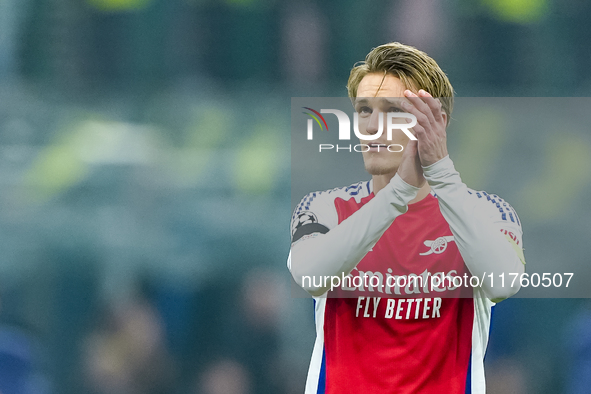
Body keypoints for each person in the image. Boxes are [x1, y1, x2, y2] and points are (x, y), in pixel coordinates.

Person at [287, 42, 526, 394]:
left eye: (393, 110)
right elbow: (309, 275)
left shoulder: (485, 211)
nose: (371, 126)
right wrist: (398, 193)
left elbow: (504, 282)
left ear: (437, 123)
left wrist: (441, 174)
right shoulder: (325, 207)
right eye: (364, 110)